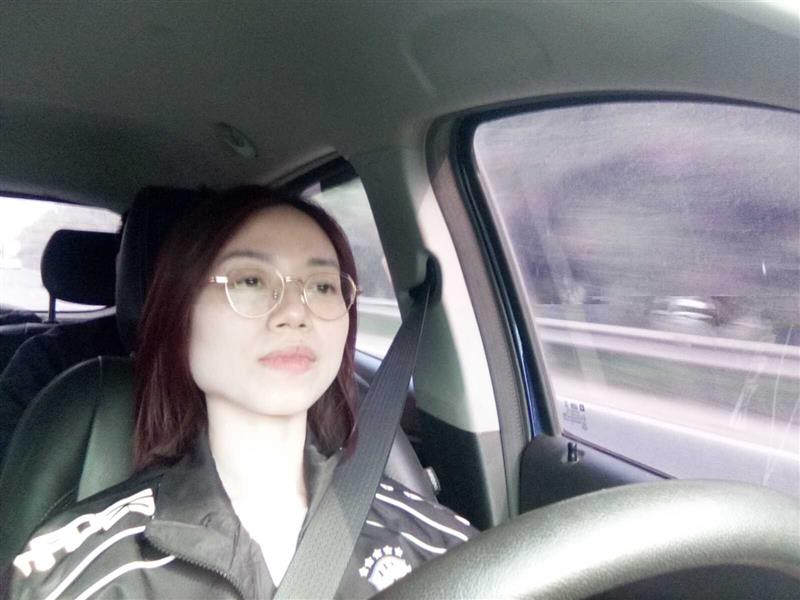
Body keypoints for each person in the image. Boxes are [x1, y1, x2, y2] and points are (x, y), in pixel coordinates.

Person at [4, 188, 475, 599]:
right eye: (250, 281)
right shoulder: (82, 574)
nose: (295, 312)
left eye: (322, 286)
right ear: (180, 319)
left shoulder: (437, 544)